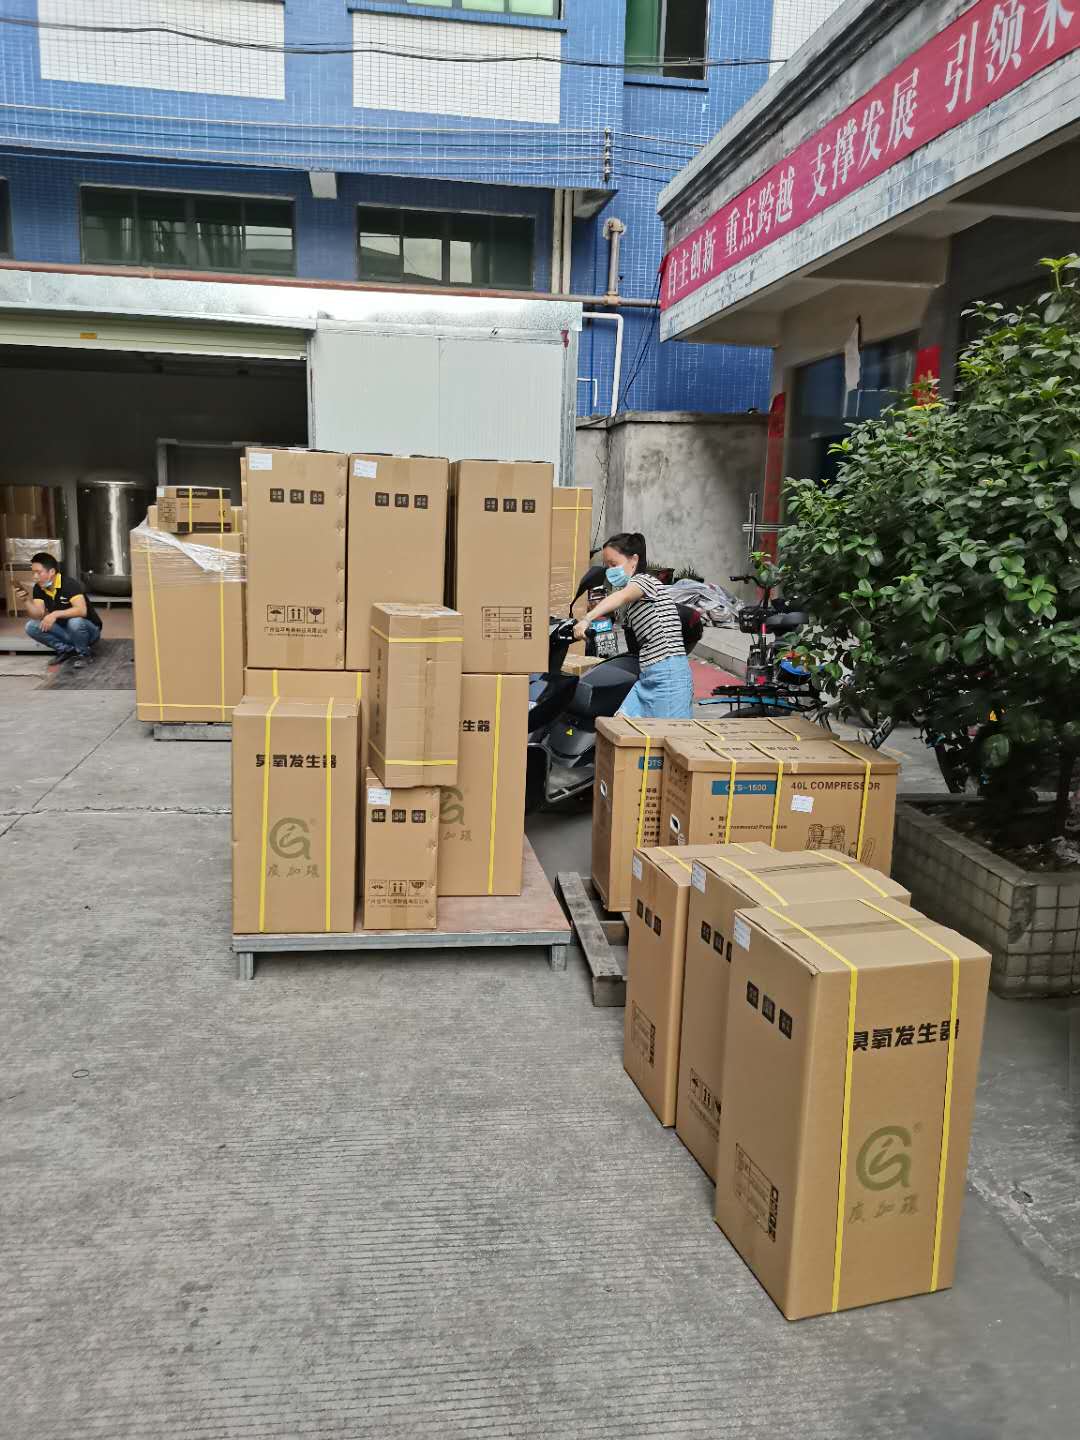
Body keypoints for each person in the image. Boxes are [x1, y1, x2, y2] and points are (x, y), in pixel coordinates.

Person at [574, 531, 694, 719]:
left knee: (663, 733)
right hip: (649, 672)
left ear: (634, 560)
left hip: (668, 674)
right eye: (607, 566)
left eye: (613, 564)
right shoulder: (633, 595)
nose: (609, 571)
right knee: (620, 724)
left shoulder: (644, 581)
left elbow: (621, 597)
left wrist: (586, 618)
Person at [20, 552, 103, 669]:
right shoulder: (39, 588)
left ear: (52, 572)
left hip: (88, 632)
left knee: (74, 622)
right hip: (65, 631)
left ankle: (84, 653)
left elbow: (81, 610)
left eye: (38, 572)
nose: (35, 577)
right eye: (33, 573)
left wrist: (55, 614)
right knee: (31, 626)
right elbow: (39, 614)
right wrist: (26, 600)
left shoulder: (69, 584)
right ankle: (66, 650)